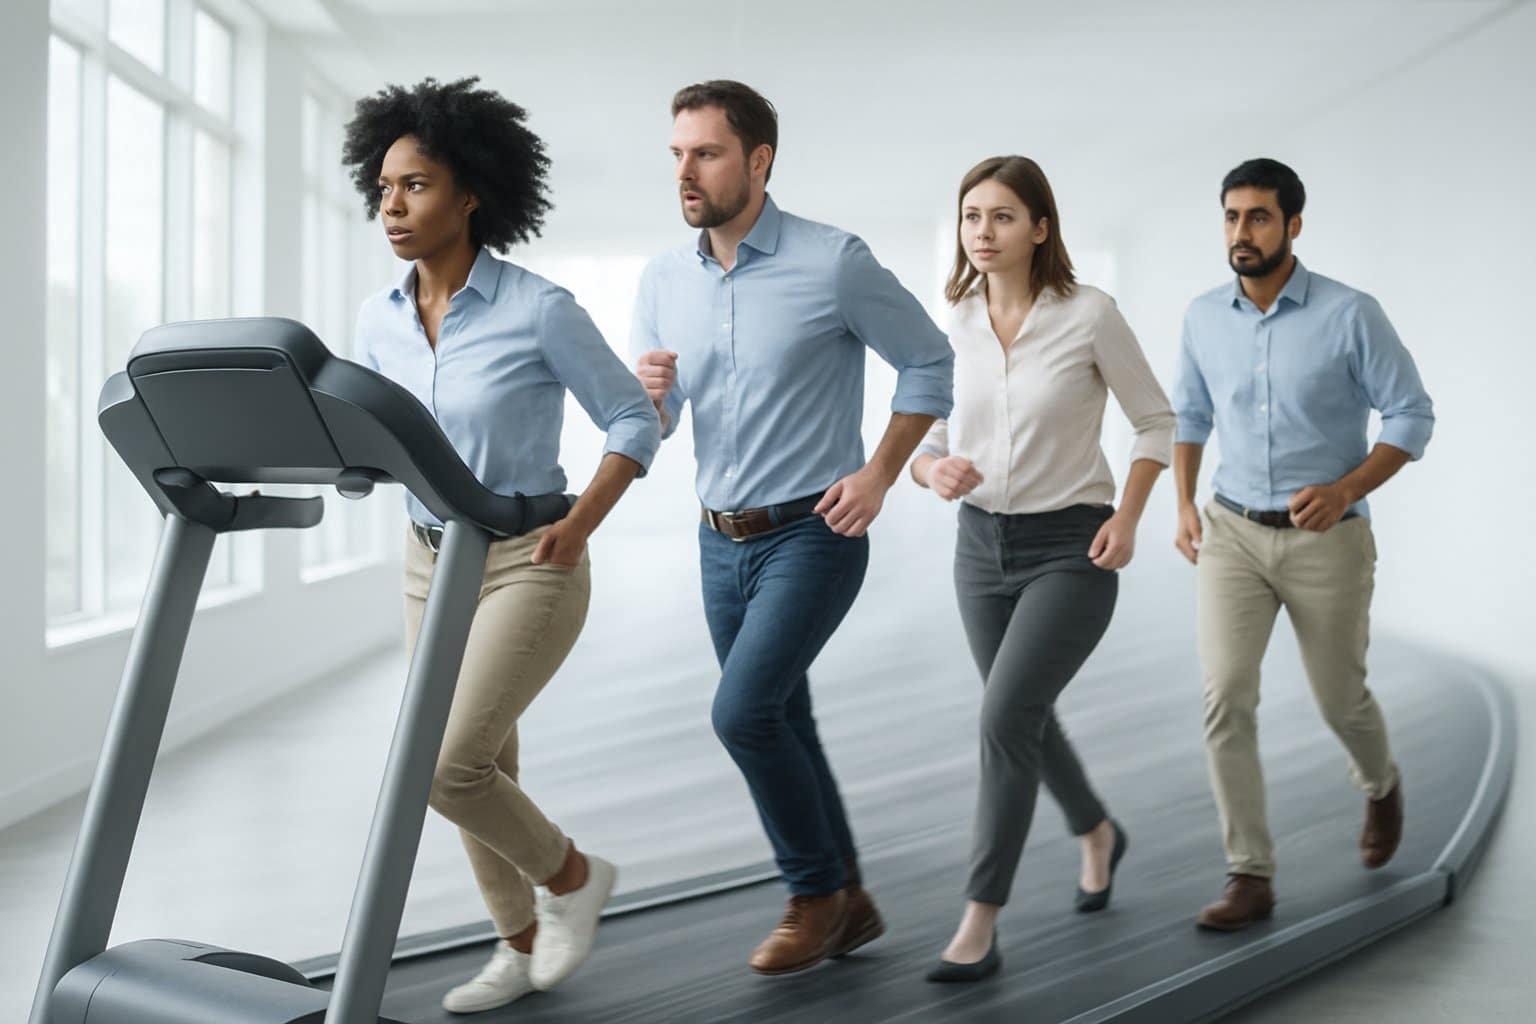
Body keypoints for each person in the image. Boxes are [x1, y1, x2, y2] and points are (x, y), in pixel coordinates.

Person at [343, 77, 661, 1012]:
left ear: (472, 193)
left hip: (531, 556)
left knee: (445, 766)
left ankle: (574, 880)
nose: (393, 206)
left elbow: (631, 418)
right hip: (429, 562)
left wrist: (582, 521)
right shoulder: (377, 320)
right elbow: (372, 442)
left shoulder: (539, 308)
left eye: (417, 186)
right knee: (487, 769)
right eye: (385, 188)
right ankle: (518, 946)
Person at [631, 80, 954, 976]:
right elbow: (659, 423)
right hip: (716, 540)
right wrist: (649, 401)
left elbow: (928, 361)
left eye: (706, 153)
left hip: (814, 531)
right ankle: (850, 901)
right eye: (677, 154)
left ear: (759, 160)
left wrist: (880, 473)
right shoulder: (663, 280)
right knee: (783, 715)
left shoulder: (833, 262)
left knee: (742, 715)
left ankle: (812, 895)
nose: (685, 172)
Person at [911, 156, 1175, 982]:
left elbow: (1156, 421)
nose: (982, 232)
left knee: (1003, 719)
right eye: (971, 216)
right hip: (979, 549)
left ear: (1040, 228)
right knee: (1020, 714)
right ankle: (1097, 830)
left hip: (1073, 548)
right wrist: (933, 470)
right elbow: (926, 439)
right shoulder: (954, 322)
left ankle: (979, 920)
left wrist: (1129, 517)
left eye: (1001, 216)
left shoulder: (1089, 314)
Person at [1171, 157, 1435, 932]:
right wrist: (1183, 502)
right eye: (1231, 216)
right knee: (1225, 696)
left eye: (1258, 216)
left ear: (1293, 224)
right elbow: (1190, 415)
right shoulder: (1202, 316)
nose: (1241, 231)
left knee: (1339, 699)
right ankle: (1249, 873)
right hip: (1231, 534)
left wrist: (1347, 489)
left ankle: (1380, 784)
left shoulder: (1351, 314)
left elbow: (1411, 414)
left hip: (1329, 542)